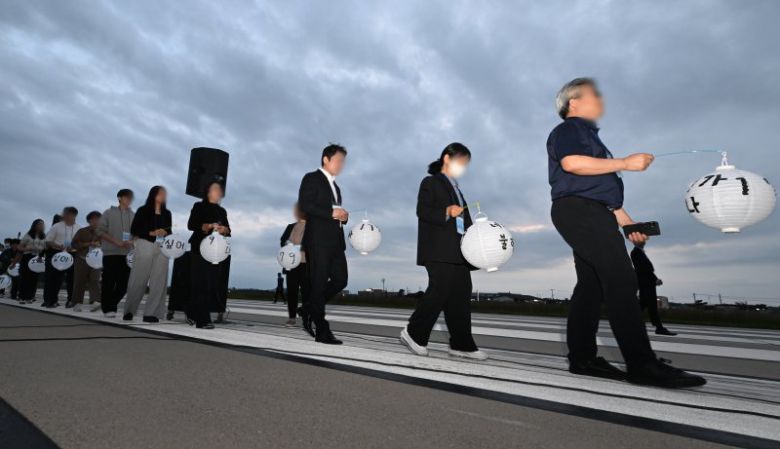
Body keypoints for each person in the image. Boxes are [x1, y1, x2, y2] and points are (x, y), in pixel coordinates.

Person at [547, 77, 704, 388]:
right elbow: (572, 163)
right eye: (594, 94)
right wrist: (626, 163)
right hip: (580, 209)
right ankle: (642, 364)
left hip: (589, 210)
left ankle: (583, 358)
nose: (601, 99)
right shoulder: (570, 129)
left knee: (591, 286)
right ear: (573, 102)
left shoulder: (589, 137)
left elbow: (604, 193)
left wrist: (628, 224)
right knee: (621, 279)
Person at [400, 143, 487, 360]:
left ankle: (461, 344)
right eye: (461, 162)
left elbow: (465, 222)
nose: (463, 167)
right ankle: (414, 332)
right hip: (438, 249)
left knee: (461, 294)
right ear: (447, 158)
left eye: (466, 164)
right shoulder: (430, 182)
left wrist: (476, 238)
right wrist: (446, 211)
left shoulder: (458, 190)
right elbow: (422, 211)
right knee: (440, 289)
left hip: (458, 251)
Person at [297, 144, 349, 344]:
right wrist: (331, 212)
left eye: (343, 161)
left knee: (341, 280)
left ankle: (308, 308)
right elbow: (305, 205)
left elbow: (334, 212)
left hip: (336, 241)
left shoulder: (336, 188)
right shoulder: (311, 178)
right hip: (318, 240)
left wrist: (343, 217)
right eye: (338, 160)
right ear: (326, 159)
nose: (341, 165)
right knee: (318, 284)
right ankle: (321, 330)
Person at [123, 186, 172, 323]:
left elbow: (169, 231)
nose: (164, 195)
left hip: (162, 247)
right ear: (153, 194)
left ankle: (151, 313)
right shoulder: (142, 210)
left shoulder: (167, 213)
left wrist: (165, 232)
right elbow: (134, 229)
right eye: (161, 193)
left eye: (164, 193)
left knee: (159, 281)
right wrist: (151, 232)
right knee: (138, 278)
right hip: (145, 243)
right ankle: (129, 310)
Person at [187, 181, 231, 329]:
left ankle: (191, 311)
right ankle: (203, 320)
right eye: (215, 189)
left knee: (211, 284)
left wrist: (224, 229)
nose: (219, 191)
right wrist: (207, 226)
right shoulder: (198, 206)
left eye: (220, 189)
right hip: (199, 247)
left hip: (216, 251)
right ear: (208, 192)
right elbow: (191, 224)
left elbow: (229, 231)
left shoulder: (222, 211)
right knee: (201, 283)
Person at [97, 189, 135, 318]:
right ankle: (108, 309)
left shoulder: (133, 215)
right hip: (110, 253)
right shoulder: (108, 213)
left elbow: (137, 234)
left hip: (127, 254)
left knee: (124, 284)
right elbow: (100, 231)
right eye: (126, 197)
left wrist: (131, 241)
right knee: (109, 282)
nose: (129, 199)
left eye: (131, 197)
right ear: (119, 198)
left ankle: (111, 304)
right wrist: (115, 241)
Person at [631, 242, 676, 336]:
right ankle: (659, 328)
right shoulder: (636, 252)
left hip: (646, 283)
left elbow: (646, 269)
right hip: (646, 284)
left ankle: (629, 323)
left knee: (645, 306)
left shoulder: (639, 252)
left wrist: (654, 279)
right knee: (651, 306)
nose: (644, 241)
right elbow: (644, 269)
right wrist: (655, 280)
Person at [44, 207, 81, 308]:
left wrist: (74, 247)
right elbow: (48, 241)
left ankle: (71, 300)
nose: (66, 216)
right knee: (55, 278)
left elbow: (80, 243)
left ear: (74, 215)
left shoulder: (79, 228)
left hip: (72, 254)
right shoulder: (57, 226)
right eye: (65, 214)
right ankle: (52, 300)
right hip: (58, 253)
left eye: (69, 214)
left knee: (72, 278)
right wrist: (58, 246)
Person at [280, 203, 308, 327]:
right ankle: (291, 317)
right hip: (290, 264)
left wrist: (297, 247)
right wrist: (287, 244)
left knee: (307, 292)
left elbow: (313, 245)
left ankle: (307, 317)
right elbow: (282, 241)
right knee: (291, 292)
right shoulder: (290, 226)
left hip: (306, 264)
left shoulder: (313, 227)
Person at [70, 211, 103, 312]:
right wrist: (88, 244)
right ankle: (77, 303)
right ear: (89, 221)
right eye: (94, 219)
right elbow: (74, 244)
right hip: (81, 259)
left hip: (96, 261)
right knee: (80, 281)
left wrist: (100, 245)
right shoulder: (82, 231)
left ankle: (95, 301)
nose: (96, 221)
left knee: (95, 280)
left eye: (98, 219)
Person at [18, 219, 46, 304]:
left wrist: (42, 254)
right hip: (27, 256)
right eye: (39, 224)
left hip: (38, 258)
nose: (41, 226)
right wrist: (28, 248)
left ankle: (30, 297)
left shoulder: (44, 236)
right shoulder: (28, 235)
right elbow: (20, 247)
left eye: (42, 224)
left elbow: (45, 247)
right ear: (35, 225)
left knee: (34, 278)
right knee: (25, 277)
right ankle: (22, 297)